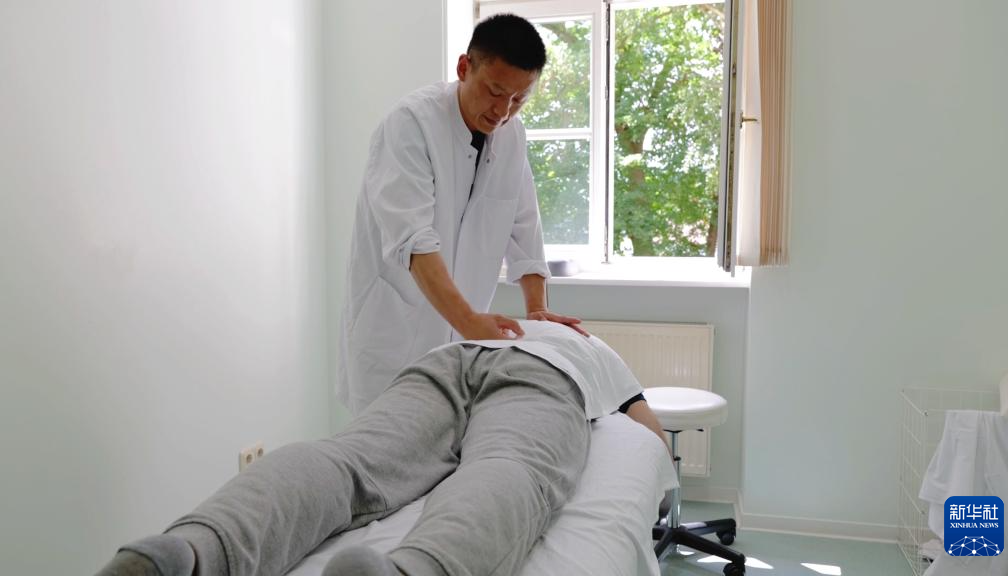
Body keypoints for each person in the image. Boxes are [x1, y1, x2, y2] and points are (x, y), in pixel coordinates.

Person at [95, 321, 667, 576]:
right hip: (546, 379)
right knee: (508, 467)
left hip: (446, 360)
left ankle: (192, 551)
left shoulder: (495, 321)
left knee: (349, 459)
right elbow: (650, 436)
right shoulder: (594, 349)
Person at [339, 13, 586, 415]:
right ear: (463, 67)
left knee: (449, 439)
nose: (503, 111)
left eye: (519, 99)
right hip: (394, 337)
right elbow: (413, 241)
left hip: (461, 339)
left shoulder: (512, 136)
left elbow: (524, 225)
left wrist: (536, 308)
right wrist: (469, 320)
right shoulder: (410, 125)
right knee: (386, 443)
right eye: (495, 91)